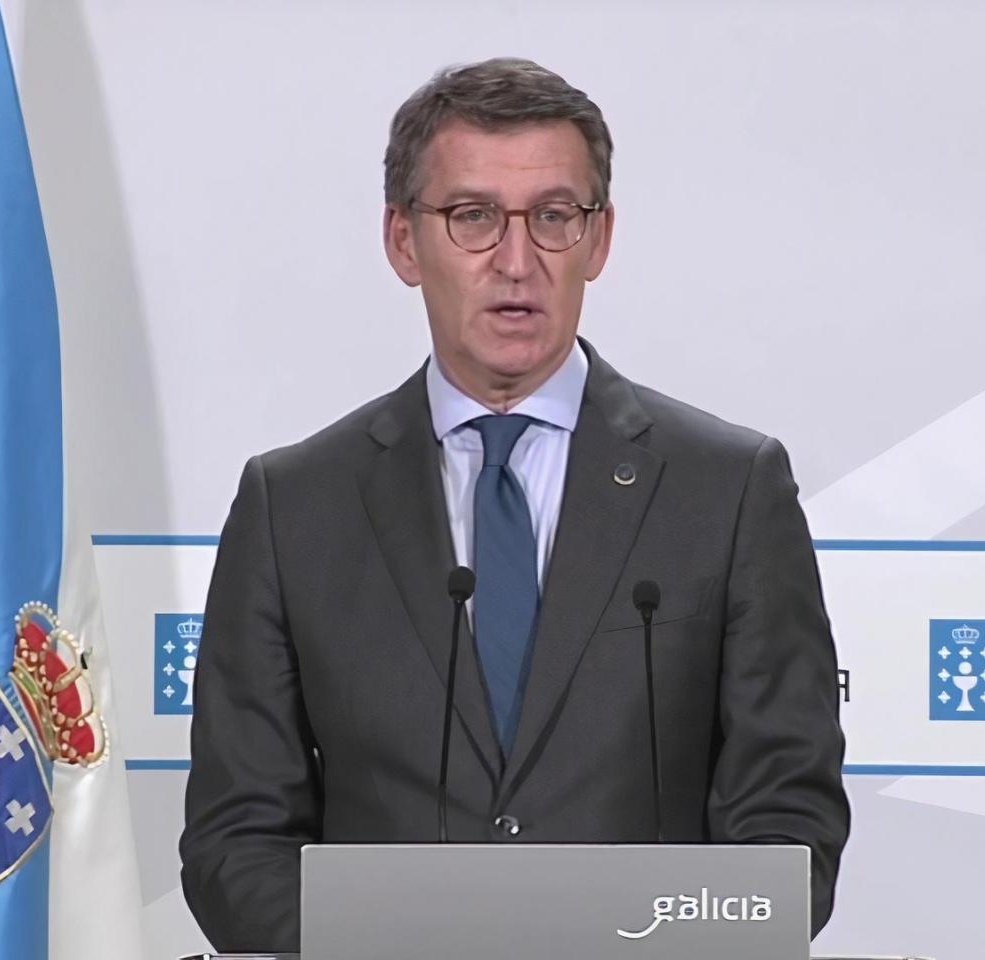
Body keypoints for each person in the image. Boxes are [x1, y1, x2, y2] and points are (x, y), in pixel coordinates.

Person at [179, 57, 849, 952]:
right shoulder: (293, 507)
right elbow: (235, 847)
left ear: (599, 240)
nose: (517, 261)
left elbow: (789, 836)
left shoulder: (728, 491)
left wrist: (626, 934)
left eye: (554, 217)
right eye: (474, 216)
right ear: (403, 241)